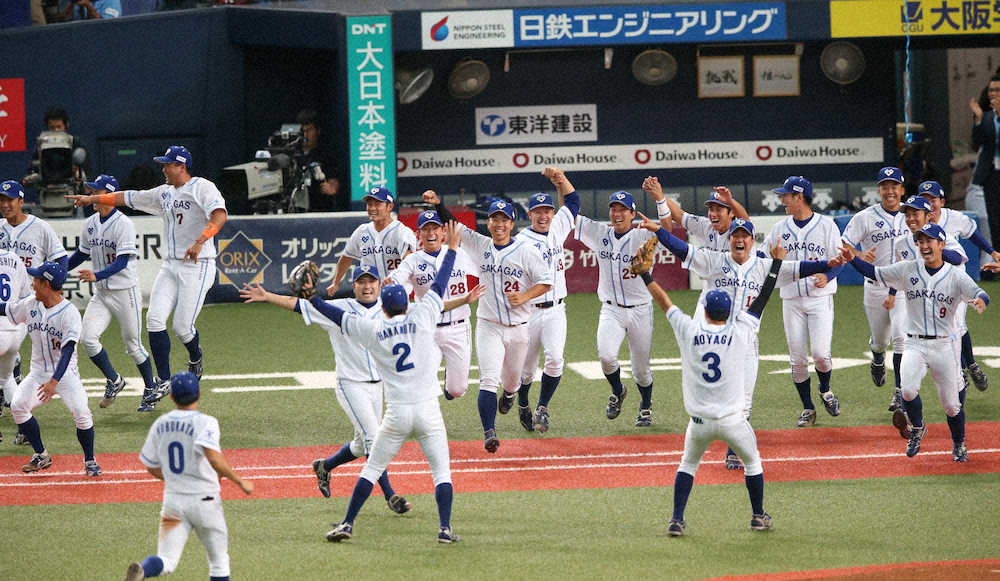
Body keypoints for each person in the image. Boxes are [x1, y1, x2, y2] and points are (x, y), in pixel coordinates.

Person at [642, 214, 835, 470]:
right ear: (730, 239)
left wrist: (830, 263)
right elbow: (682, 249)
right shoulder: (714, 260)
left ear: (752, 241)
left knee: (744, 401)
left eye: (745, 236)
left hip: (746, 342)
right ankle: (703, 433)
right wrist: (660, 232)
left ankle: (734, 448)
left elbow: (802, 267)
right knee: (712, 392)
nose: (740, 240)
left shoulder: (764, 266)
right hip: (717, 340)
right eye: (736, 236)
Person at [318, 222, 463, 544]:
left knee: (371, 469)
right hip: (428, 413)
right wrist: (451, 249)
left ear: (382, 307)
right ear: (406, 304)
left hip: (396, 416)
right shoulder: (424, 315)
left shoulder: (373, 330)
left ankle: (347, 523)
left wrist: (311, 297)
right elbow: (439, 283)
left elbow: (336, 316)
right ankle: (444, 529)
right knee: (441, 473)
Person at [239, 265, 422, 513]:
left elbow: (430, 310)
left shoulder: (389, 308)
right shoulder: (340, 307)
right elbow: (299, 305)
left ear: (380, 284)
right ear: (353, 285)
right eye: (361, 282)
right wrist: (268, 296)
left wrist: (464, 300)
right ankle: (391, 495)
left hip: (378, 386)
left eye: (371, 281)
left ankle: (325, 466)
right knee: (373, 439)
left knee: (360, 445)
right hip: (350, 385)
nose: (367, 286)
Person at [67, 145, 227, 410]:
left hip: (199, 264)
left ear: (181, 166)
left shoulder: (202, 187)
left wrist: (201, 240)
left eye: (167, 164)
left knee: (182, 328)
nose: (163, 168)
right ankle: (163, 380)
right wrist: (92, 200)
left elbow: (219, 215)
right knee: (153, 321)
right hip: (171, 264)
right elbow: (127, 197)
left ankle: (196, 355)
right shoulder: (164, 193)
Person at [644, 252, 783, 536]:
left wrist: (646, 275)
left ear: (704, 309)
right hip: (733, 421)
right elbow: (762, 299)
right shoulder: (741, 331)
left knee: (688, 464)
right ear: (729, 311)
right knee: (752, 462)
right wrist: (776, 264)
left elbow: (665, 302)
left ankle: (676, 520)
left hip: (699, 423)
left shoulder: (689, 330)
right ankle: (757, 515)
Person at [837, 223, 990, 462]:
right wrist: (851, 260)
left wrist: (982, 301)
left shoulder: (956, 275)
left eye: (930, 241)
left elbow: (980, 292)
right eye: (921, 241)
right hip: (914, 344)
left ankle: (959, 444)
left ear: (941, 245)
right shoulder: (907, 269)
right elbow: (874, 273)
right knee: (907, 390)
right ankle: (917, 428)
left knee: (951, 406)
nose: (925, 245)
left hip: (944, 347)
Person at [424, 191, 552, 453]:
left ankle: (510, 395)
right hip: (488, 325)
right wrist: (439, 204)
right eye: (495, 218)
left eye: (504, 219)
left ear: (512, 223)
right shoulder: (480, 244)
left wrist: (526, 296)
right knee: (487, 381)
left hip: (518, 328)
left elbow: (546, 281)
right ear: (489, 223)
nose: (499, 224)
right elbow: (453, 225)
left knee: (512, 382)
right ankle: (489, 431)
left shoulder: (525, 251)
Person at [124, 372, 254, 581]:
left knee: (166, 560)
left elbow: (150, 465)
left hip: (173, 502)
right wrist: (240, 481)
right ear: (199, 394)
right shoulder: (206, 422)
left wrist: (177, 479)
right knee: (219, 561)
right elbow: (213, 457)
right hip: (205, 502)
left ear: (172, 397)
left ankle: (144, 570)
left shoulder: (160, 423)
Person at [68, 174, 158, 411]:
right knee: (87, 339)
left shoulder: (123, 224)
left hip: (124, 292)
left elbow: (123, 261)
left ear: (109, 195)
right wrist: (59, 269)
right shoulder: (90, 223)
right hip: (102, 294)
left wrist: (97, 275)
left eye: (97, 192)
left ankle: (151, 388)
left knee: (133, 345)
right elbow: (81, 254)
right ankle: (114, 380)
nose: (93, 196)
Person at [574, 190, 664, 427]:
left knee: (642, 370)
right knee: (606, 356)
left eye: (623, 209)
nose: (617, 213)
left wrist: (660, 200)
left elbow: (667, 229)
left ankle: (645, 404)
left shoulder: (643, 235)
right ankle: (618, 390)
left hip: (640, 309)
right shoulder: (600, 232)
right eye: (614, 208)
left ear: (633, 214)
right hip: (611, 309)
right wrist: (562, 184)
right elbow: (570, 213)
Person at [761, 176, 844, 428]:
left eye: (785, 195)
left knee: (820, 355)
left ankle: (825, 389)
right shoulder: (779, 228)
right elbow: (762, 255)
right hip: (791, 300)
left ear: (799, 197)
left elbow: (840, 259)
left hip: (819, 299)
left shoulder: (826, 226)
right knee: (797, 360)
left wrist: (827, 275)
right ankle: (808, 407)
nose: (782, 199)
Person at [4, 261, 100, 476]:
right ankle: (41, 455)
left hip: (65, 375)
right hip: (38, 373)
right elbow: (7, 309)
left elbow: (67, 351)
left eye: (36, 280)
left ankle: (90, 460)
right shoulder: (31, 304)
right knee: (18, 406)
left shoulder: (70, 313)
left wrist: (54, 382)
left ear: (46, 284)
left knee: (81, 412)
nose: (33, 284)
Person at [884, 195, 968, 413]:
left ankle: (956, 416)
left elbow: (960, 258)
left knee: (956, 375)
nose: (911, 218)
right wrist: (892, 293)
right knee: (905, 344)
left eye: (915, 213)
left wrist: (934, 249)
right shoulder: (903, 243)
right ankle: (907, 406)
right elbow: (898, 273)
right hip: (919, 307)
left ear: (928, 215)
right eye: (907, 214)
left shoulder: (943, 237)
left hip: (947, 309)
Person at [0, 179, 69, 446]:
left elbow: (61, 259)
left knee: (35, 363)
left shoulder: (40, 227)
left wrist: (54, 285)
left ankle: (21, 410)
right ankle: (22, 421)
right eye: (2, 200)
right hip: (10, 308)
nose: (5, 205)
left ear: (20, 201)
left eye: (10, 200)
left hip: (31, 302)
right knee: (11, 365)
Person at [386, 210, 480, 401]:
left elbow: (486, 269)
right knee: (423, 378)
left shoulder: (460, 254)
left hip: (458, 327)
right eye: (425, 229)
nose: (431, 234)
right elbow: (397, 279)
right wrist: (391, 282)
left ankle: (450, 382)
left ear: (443, 232)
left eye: (435, 228)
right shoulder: (413, 260)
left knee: (457, 390)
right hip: (427, 329)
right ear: (418, 234)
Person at [514, 167, 580, 433]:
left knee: (554, 360)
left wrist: (561, 179)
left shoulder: (558, 227)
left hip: (556, 309)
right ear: (530, 215)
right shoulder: (520, 240)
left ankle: (542, 407)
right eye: (538, 212)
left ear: (553, 213)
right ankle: (522, 402)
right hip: (529, 311)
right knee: (527, 371)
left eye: (547, 211)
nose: (543, 216)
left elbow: (573, 201)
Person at [916, 180, 999, 392]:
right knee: (945, 328)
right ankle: (963, 366)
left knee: (957, 325)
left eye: (932, 199)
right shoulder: (914, 227)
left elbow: (971, 238)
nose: (929, 204)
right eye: (923, 200)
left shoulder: (952, 220)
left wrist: (992, 251)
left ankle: (969, 364)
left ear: (941, 201)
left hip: (955, 283)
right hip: (929, 286)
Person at [840, 167, 908, 394]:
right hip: (875, 287)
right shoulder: (865, 217)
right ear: (879, 190)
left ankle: (900, 392)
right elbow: (844, 245)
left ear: (902, 190)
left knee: (901, 338)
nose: (890, 191)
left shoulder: (912, 215)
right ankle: (878, 357)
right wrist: (859, 255)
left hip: (903, 289)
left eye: (894, 186)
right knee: (880, 341)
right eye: (885, 186)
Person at [326, 186, 415, 296]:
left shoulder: (401, 231)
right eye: (369, 204)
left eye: (377, 204)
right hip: (370, 295)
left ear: (390, 206)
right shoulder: (362, 231)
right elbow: (346, 257)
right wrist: (335, 282)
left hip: (397, 292)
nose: (372, 208)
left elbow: (409, 260)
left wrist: (396, 277)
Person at [653, 178, 750, 250]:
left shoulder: (739, 231)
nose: (713, 214)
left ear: (731, 213)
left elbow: (746, 222)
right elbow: (678, 214)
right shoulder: (705, 225)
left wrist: (730, 202)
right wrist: (658, 194)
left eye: (718, 210)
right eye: (711, 209)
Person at [0, 241, 32, 443]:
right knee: (6, 380)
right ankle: (25, 429)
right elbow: (26, 296)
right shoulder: (14, 258)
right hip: (14, 329)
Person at [22, 107, 90, 191]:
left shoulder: (76, 143)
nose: (56, 130)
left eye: (59, 127)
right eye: (52, 127)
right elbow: (32, 170)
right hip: (47, 190)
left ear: (66, 126)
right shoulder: (41, 146)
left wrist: (77, 171)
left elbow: (87, 175)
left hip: (71, 191)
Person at [970, 74, 1000, 255]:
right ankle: (999, 259)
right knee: (994, 219)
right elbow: (977, 141)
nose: (994, 93)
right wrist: (979, 119)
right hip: (991, 174)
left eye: (997, 89)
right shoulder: (986, 117)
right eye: (991, 90)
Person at [296, 108, 343, 213]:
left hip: (318, 209)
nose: (305, 135)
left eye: (309, 130)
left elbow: (334, 181)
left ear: (318, 131)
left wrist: (332, 188)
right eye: (302, 131)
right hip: (294, 209)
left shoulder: (326, 154)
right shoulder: (292, 154)